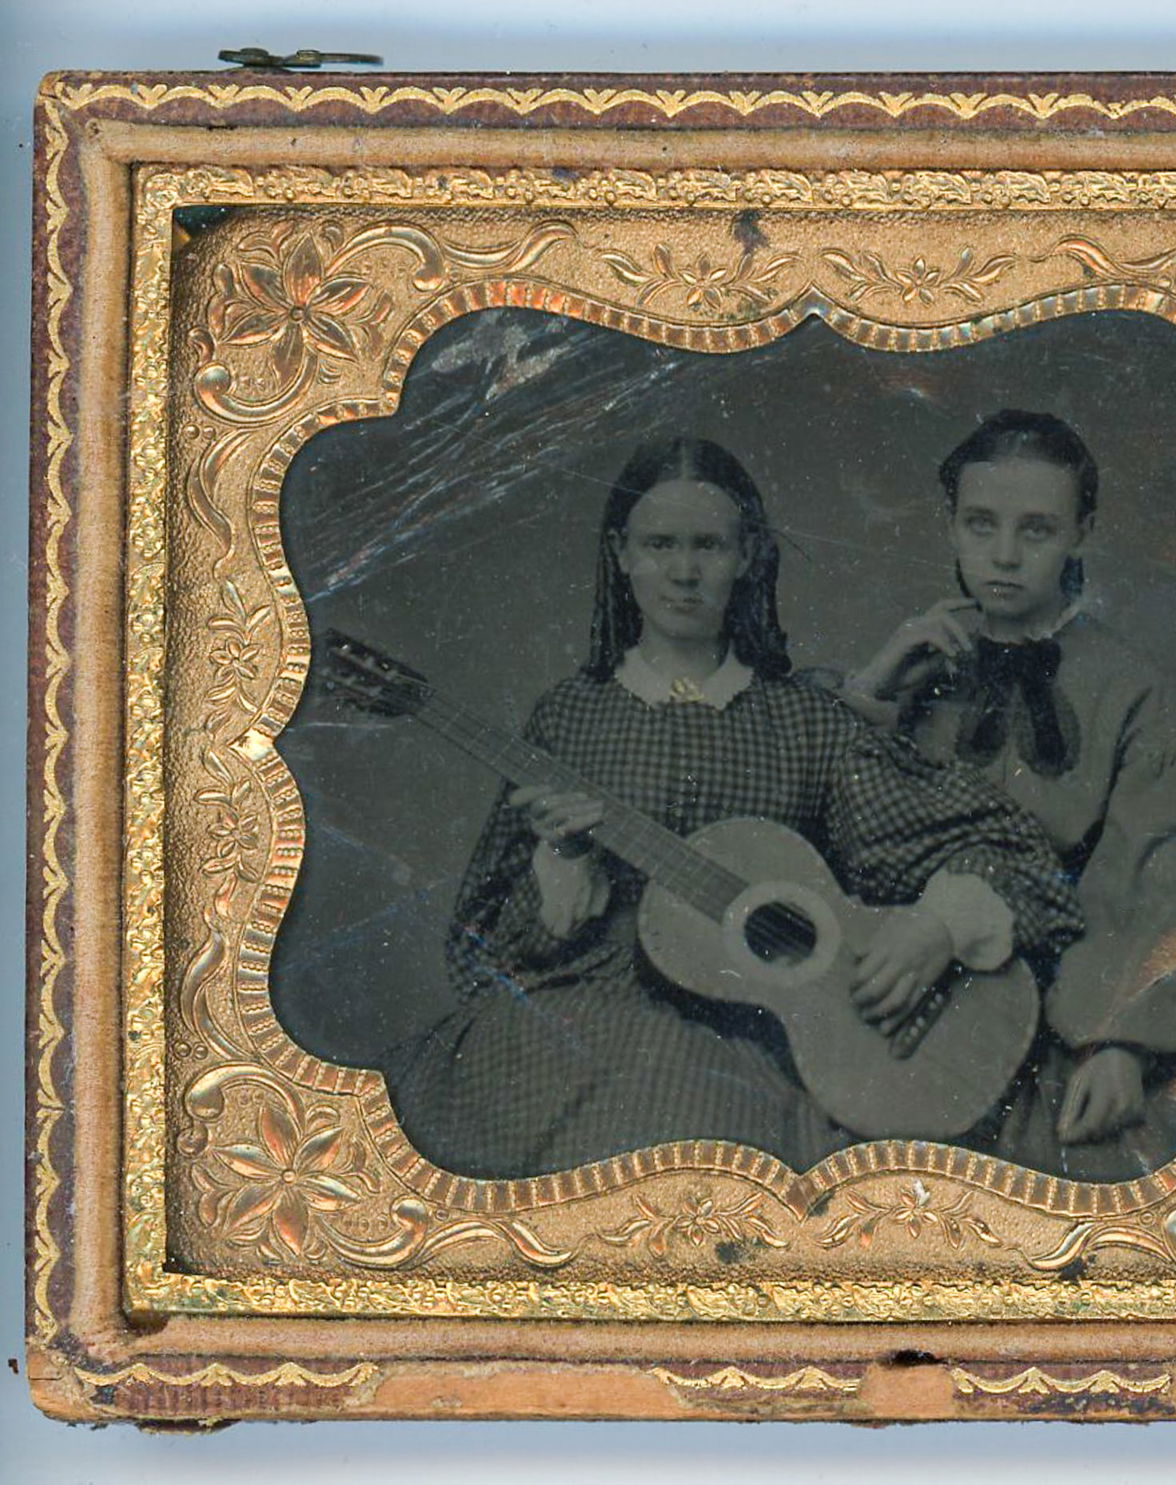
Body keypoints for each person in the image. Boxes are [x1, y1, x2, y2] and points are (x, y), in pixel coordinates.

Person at [385, 436, 1082, 1180]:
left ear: (747, 554)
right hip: (567, 1032)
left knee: (687, 1127)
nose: (684, 571)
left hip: (744, 1046)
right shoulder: (567, 718)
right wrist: (559, 872)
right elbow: (480, 952)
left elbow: (1003, 847)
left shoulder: (803, 722)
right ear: (621, 554)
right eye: (659, 545)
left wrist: (936, 926)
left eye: (708, 545)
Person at [843, 410, 1176, 1180]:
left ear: (1080, 531)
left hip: (1067, 1008)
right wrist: (871, 693)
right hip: (901, 999)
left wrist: (1125, 1038)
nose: (1002, 556)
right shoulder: (915, 661)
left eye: (1035, 531)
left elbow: (1170, 868)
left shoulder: (1129, 689)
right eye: (980, 525)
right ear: (951, 524)